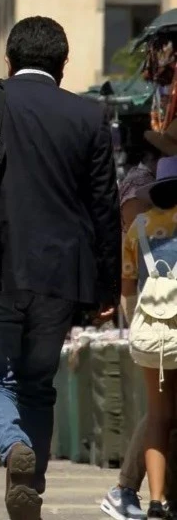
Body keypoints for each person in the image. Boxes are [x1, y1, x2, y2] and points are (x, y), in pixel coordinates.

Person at [0, 16, 120, 520]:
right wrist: (107, 284)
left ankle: (13, 447)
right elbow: (105, 205)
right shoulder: (88, 116)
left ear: (8, 62)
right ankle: (30, 487)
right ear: (63, 65)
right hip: (63, 275)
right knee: (39, 384)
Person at [103, 139, 164, 520]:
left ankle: (147, 493)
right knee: (161, 410)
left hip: (152, 319)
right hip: (158, 318)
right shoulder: (140, 188)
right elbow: (134, 264)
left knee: (161, 410)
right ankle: (127, 487)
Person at [121, 155, 177, 519]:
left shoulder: (137, 227)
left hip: (151, 331)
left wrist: (131, 326)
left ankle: (156, 501)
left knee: (157, 416)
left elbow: (127, 287)